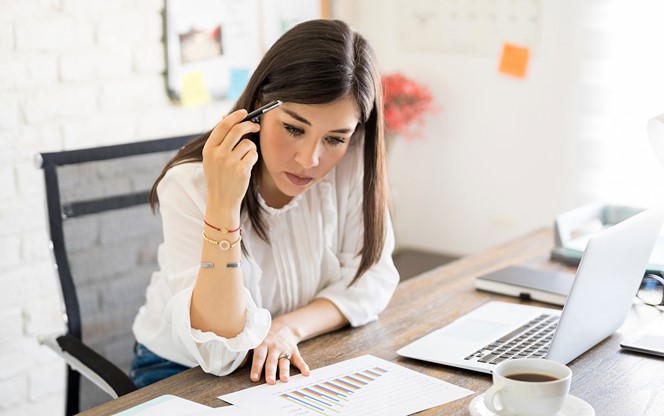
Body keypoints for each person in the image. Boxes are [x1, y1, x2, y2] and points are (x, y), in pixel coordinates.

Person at [130, 18, 399, 388]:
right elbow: (219, 351)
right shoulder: (190, 184)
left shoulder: (352, 161)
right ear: (258, 106)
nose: (309, 159)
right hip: (182, 374)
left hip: (292, 354)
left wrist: (288, 327)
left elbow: (374, 277)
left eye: (335, 138)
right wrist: (223, 207)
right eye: (293, 128)